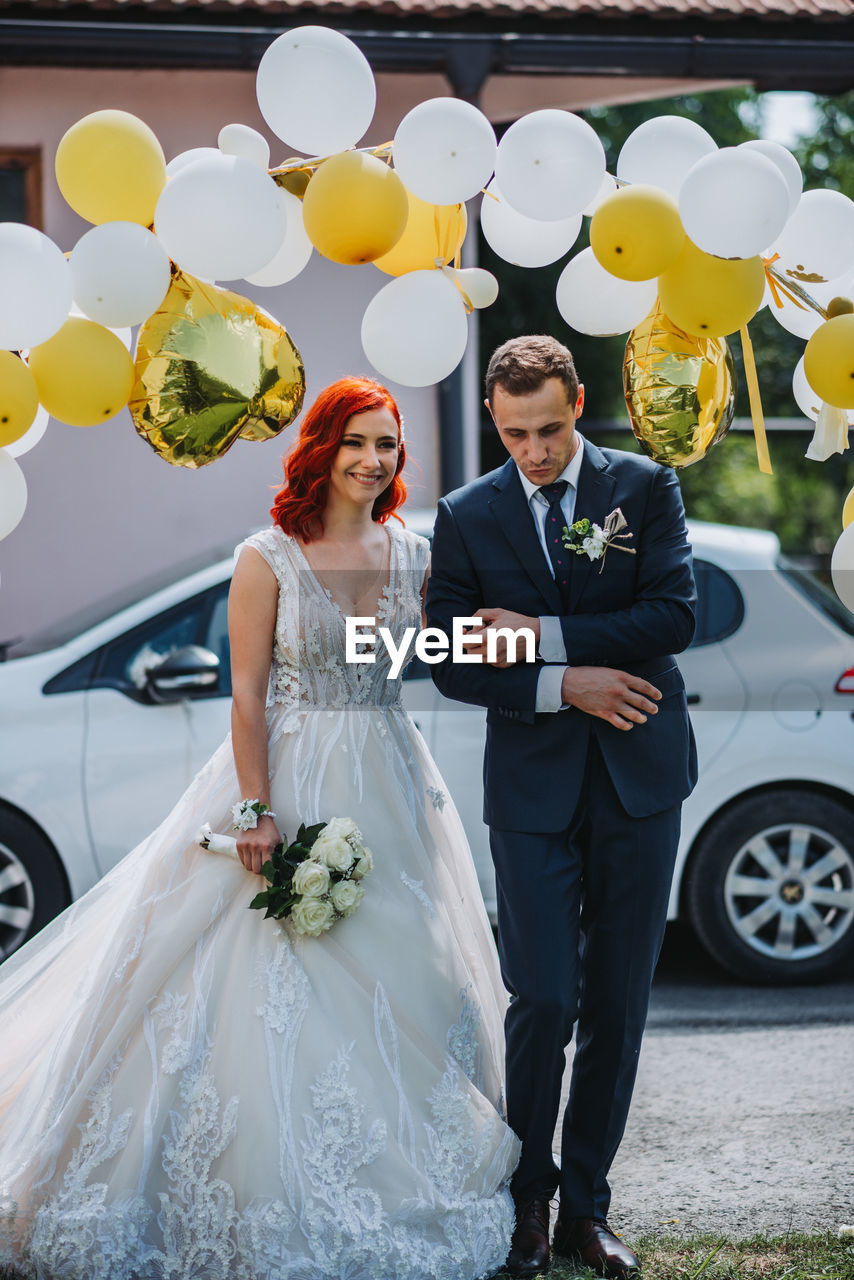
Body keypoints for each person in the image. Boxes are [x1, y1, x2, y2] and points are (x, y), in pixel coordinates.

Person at [0, 377, 520, 1280]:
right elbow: (245, 697)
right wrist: (255, 810)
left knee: (410, 972)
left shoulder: (413, 552)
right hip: (294, 769)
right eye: (355, 442)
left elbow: (406, 654)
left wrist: (509, 638)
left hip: (391, 778)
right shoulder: (267, 557)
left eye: (387, 445)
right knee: (270, 973)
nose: (372, 460)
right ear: (320, 449)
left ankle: (401, 1165)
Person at [426, 335, 698, 1278]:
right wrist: (561, 683)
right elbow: (450, 656)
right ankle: (526, 1202)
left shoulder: (644, 487)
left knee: (617, 1006)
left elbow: (674, 615)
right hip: (532, 789)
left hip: (640, 777)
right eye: (514, 435)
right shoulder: (465, 516)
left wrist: (543, 637)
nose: (533, 453)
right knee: (541, 996)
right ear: (495, 423)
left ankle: (587, 1208)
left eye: (547, 429)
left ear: (578, 402)